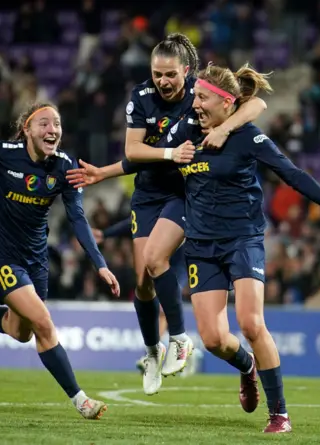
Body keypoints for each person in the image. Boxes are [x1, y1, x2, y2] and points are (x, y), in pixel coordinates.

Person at [70, 63, 320, 432]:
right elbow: (145, 159)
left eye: (201, 97)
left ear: (226, 102)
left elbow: (293, 175)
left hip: (243, 240)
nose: (194, 103)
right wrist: (104, 172)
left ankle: (279, 413)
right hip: (200, 245)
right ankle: (247, 367)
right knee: (213, 340)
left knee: (250, 323)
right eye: (195, 96)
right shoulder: (186, 131)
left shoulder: (247, 136)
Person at [66, 33, 268, 396]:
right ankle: (151, 351)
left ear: (186, 71)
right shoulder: (141, 97)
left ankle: (178, 338)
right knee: (142, 279)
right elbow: (133, 149)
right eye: (157, 74)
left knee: (156, 258)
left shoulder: (200, 91)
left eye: (170, 74)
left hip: (184, 191)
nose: (162, 81)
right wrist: (111, 171)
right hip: (147, 192)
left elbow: (254, 107)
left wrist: (224, 127)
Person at [0, 103, 120, 420]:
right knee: (43, 323)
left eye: (56, 124)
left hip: (35, 259)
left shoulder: (65, 167)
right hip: (0, 256)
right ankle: (80, 400)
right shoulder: (2, 152)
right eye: (43, 123)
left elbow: (78, 219)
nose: (52, 129)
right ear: (27, 129)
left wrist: (100, 264)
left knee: (20, 332)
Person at [91, 218, 203, 376]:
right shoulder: (156, 208)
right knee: (154, 300)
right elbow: (135, 221)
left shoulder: (181, 204)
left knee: (163, 305)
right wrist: (106, 233)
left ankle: (156, 354)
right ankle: (187, 351)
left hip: (180, 259)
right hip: (161, 259)